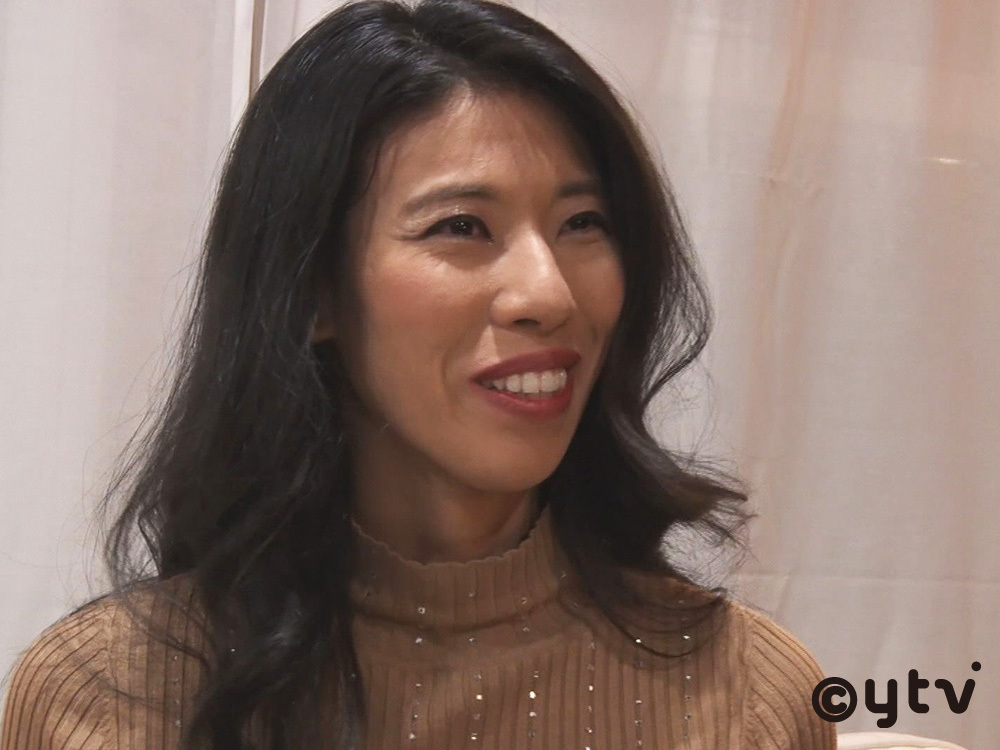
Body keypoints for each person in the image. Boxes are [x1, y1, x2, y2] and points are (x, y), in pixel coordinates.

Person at [0, 1, 836, 748]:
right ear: (312, 289)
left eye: (584, 222)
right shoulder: (112, 697)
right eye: (462, 226)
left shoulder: (747, 698)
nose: (549, 293)